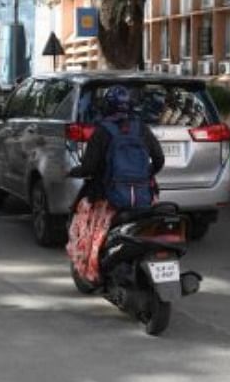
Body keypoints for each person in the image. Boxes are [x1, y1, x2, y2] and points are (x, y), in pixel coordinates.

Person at [66, 86, 165, 286]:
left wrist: (74, 171)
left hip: (110, 198)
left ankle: (91, 269)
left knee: (83, 225)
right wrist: (146, 176)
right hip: (144, 197)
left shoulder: (102, 131)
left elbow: (89, 167)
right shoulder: (141, 128)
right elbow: (159, 159)